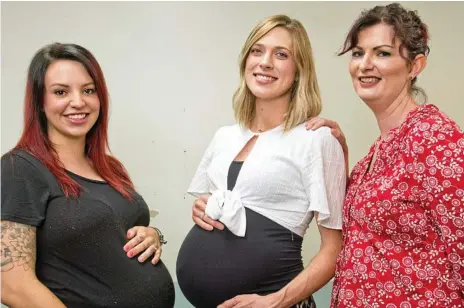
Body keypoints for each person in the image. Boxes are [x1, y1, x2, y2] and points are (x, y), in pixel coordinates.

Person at [176, 15, 347, 308]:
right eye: (257, 51)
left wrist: (276, 301)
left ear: (299, 70)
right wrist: (203, 207)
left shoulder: (316, 139)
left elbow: (337, 249)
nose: (265, 62)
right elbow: (228, 203)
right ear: (245, 61)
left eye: (281, 54)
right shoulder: (225, 135)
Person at [307, 3, 464, 307]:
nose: (364, 64)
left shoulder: (434, 139)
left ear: (414, 66)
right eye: (357, 52)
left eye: (382, 53)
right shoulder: (375, 154)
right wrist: (340, 156)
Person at [1, 43, 175, 308]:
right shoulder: (21, 168)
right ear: (40, 102)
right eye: (61, 91)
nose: (78, 102)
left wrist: (152, 235)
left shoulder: (109, 167)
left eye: (88, 90)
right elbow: (12, 285)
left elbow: (108, 236)